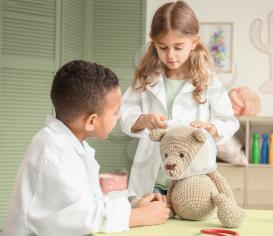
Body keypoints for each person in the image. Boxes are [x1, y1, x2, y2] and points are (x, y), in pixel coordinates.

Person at [2, 60, 170, 236]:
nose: (119, 117)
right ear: (91, 121)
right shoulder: (51, 151)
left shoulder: (71, 145)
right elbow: (79, 218)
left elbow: (92, 200)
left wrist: (132, 203)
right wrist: (137, 216)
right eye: (115, 112)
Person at [120, 1, 239, 197]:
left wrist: (212, 128)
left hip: (192, 175)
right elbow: (125, 113)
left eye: (178, 47)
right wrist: (143, 120)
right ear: (153, 42)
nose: (170, 55)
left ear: (194, 42)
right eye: (163, 47)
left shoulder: (208, 79)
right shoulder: (146, 76)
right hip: (153, 177)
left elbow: (228, 120)